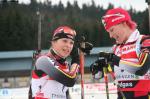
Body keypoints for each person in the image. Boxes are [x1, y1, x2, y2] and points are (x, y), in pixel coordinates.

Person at [90, 8, 150, 99]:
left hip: (143, 95)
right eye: (108, 32)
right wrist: (97, 68)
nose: (110, 36)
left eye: (112, 30)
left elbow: (141, 69)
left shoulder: (143, 41)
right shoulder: (116, 48)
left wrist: (113, 59)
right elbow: (98, 76)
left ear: (123, 23)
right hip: (121, 95)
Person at [29, 26, 80, 99]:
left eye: (71, 43)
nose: (68, 46)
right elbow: (70, 80)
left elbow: (65, 94)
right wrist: (76, 60)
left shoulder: (67, 66)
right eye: (65, 41)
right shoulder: (43, 60)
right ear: (54, 42)